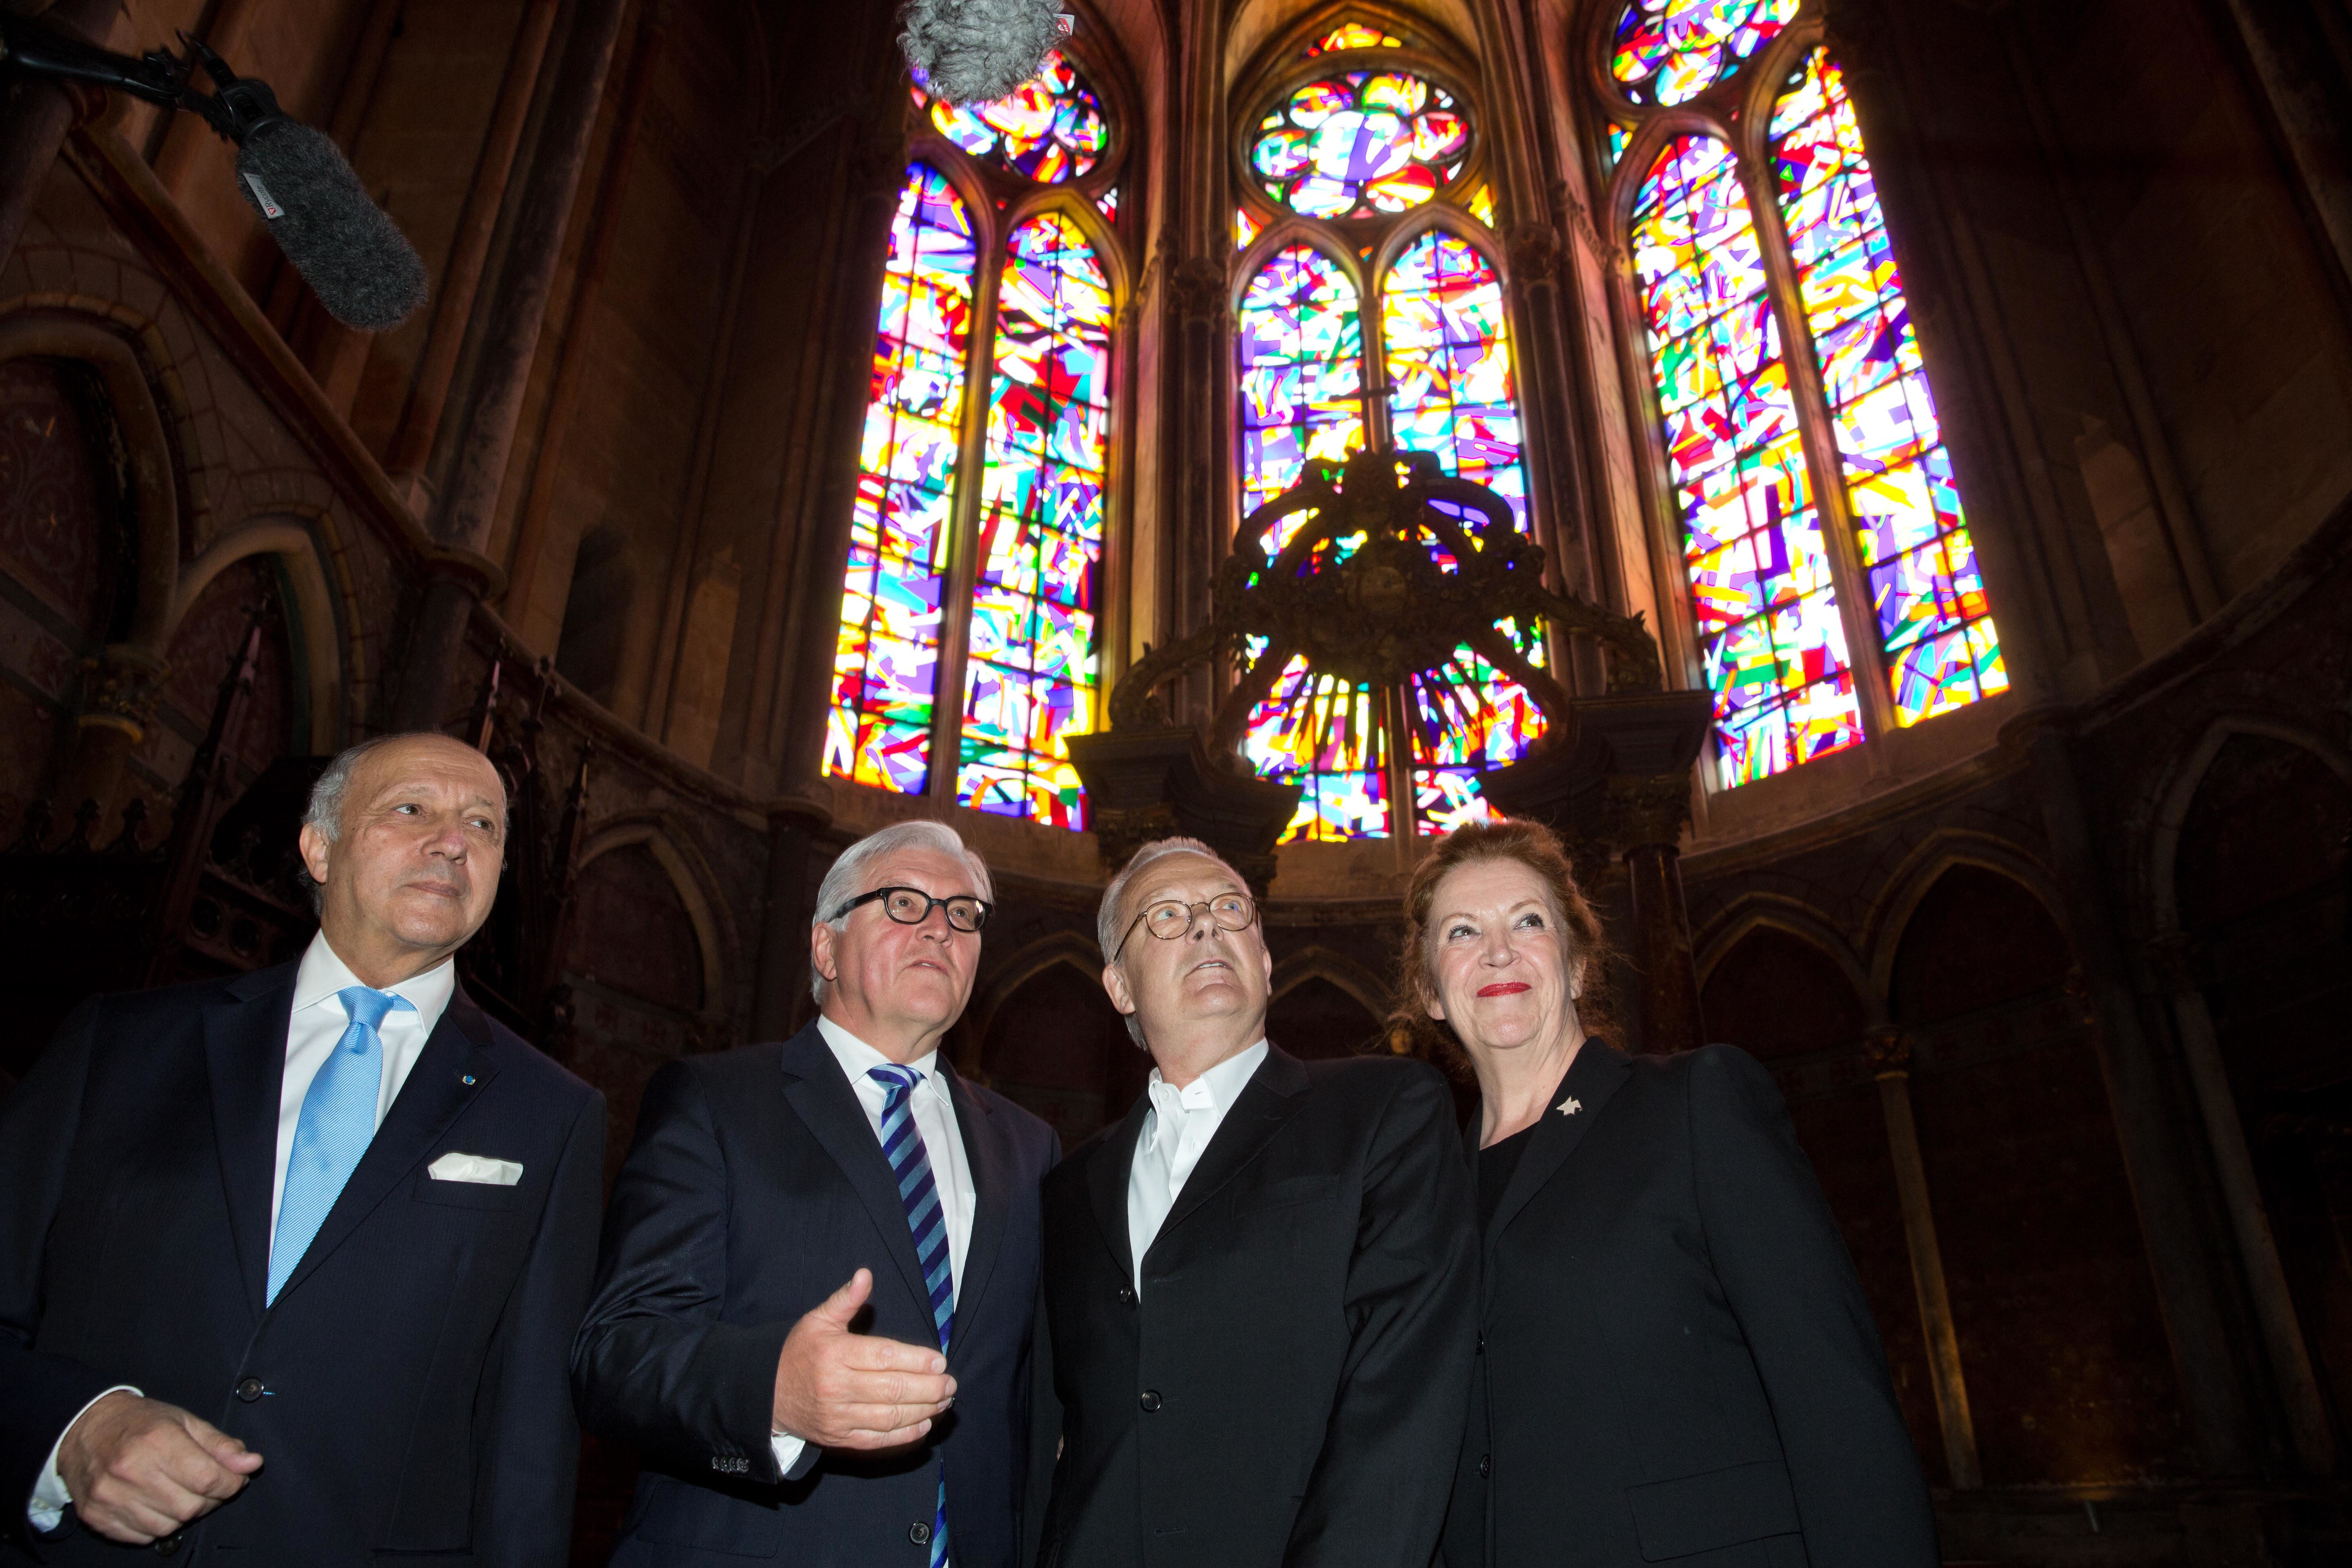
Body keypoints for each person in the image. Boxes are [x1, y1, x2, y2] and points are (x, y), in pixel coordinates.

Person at [0, 732, 606, 1566]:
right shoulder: (122, 1048)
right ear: (318, 847)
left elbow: (529, 1437)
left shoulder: (551, 1116)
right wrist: (76, 1425)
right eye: (411, 810)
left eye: (484, 827)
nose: (453, 842)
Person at [1400, 820, 1939, 1568]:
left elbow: (1836, 1402)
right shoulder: (1423, 1198)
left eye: (1529, 921)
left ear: (1580, 964)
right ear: (1429, 988)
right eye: (1463, 932)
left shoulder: (1693, 1105)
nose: (1498, 951)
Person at [574, 819, 1058, 1568]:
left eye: (963, 914)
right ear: (825, 947)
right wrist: (775, 1391)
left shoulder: (1029, 1147)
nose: (940, 929)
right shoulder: (716, 1100)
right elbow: (616, 1354)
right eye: (904, 904)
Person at [1026, 837, 1475, 1568]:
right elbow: (1057, 1428)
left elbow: (1403, 1399)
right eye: (1166, 916)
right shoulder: (1069, 1188)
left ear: (1265, 961)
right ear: (1119, 988)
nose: (1207, 926)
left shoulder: (1382, 1111)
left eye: (1230, 909)